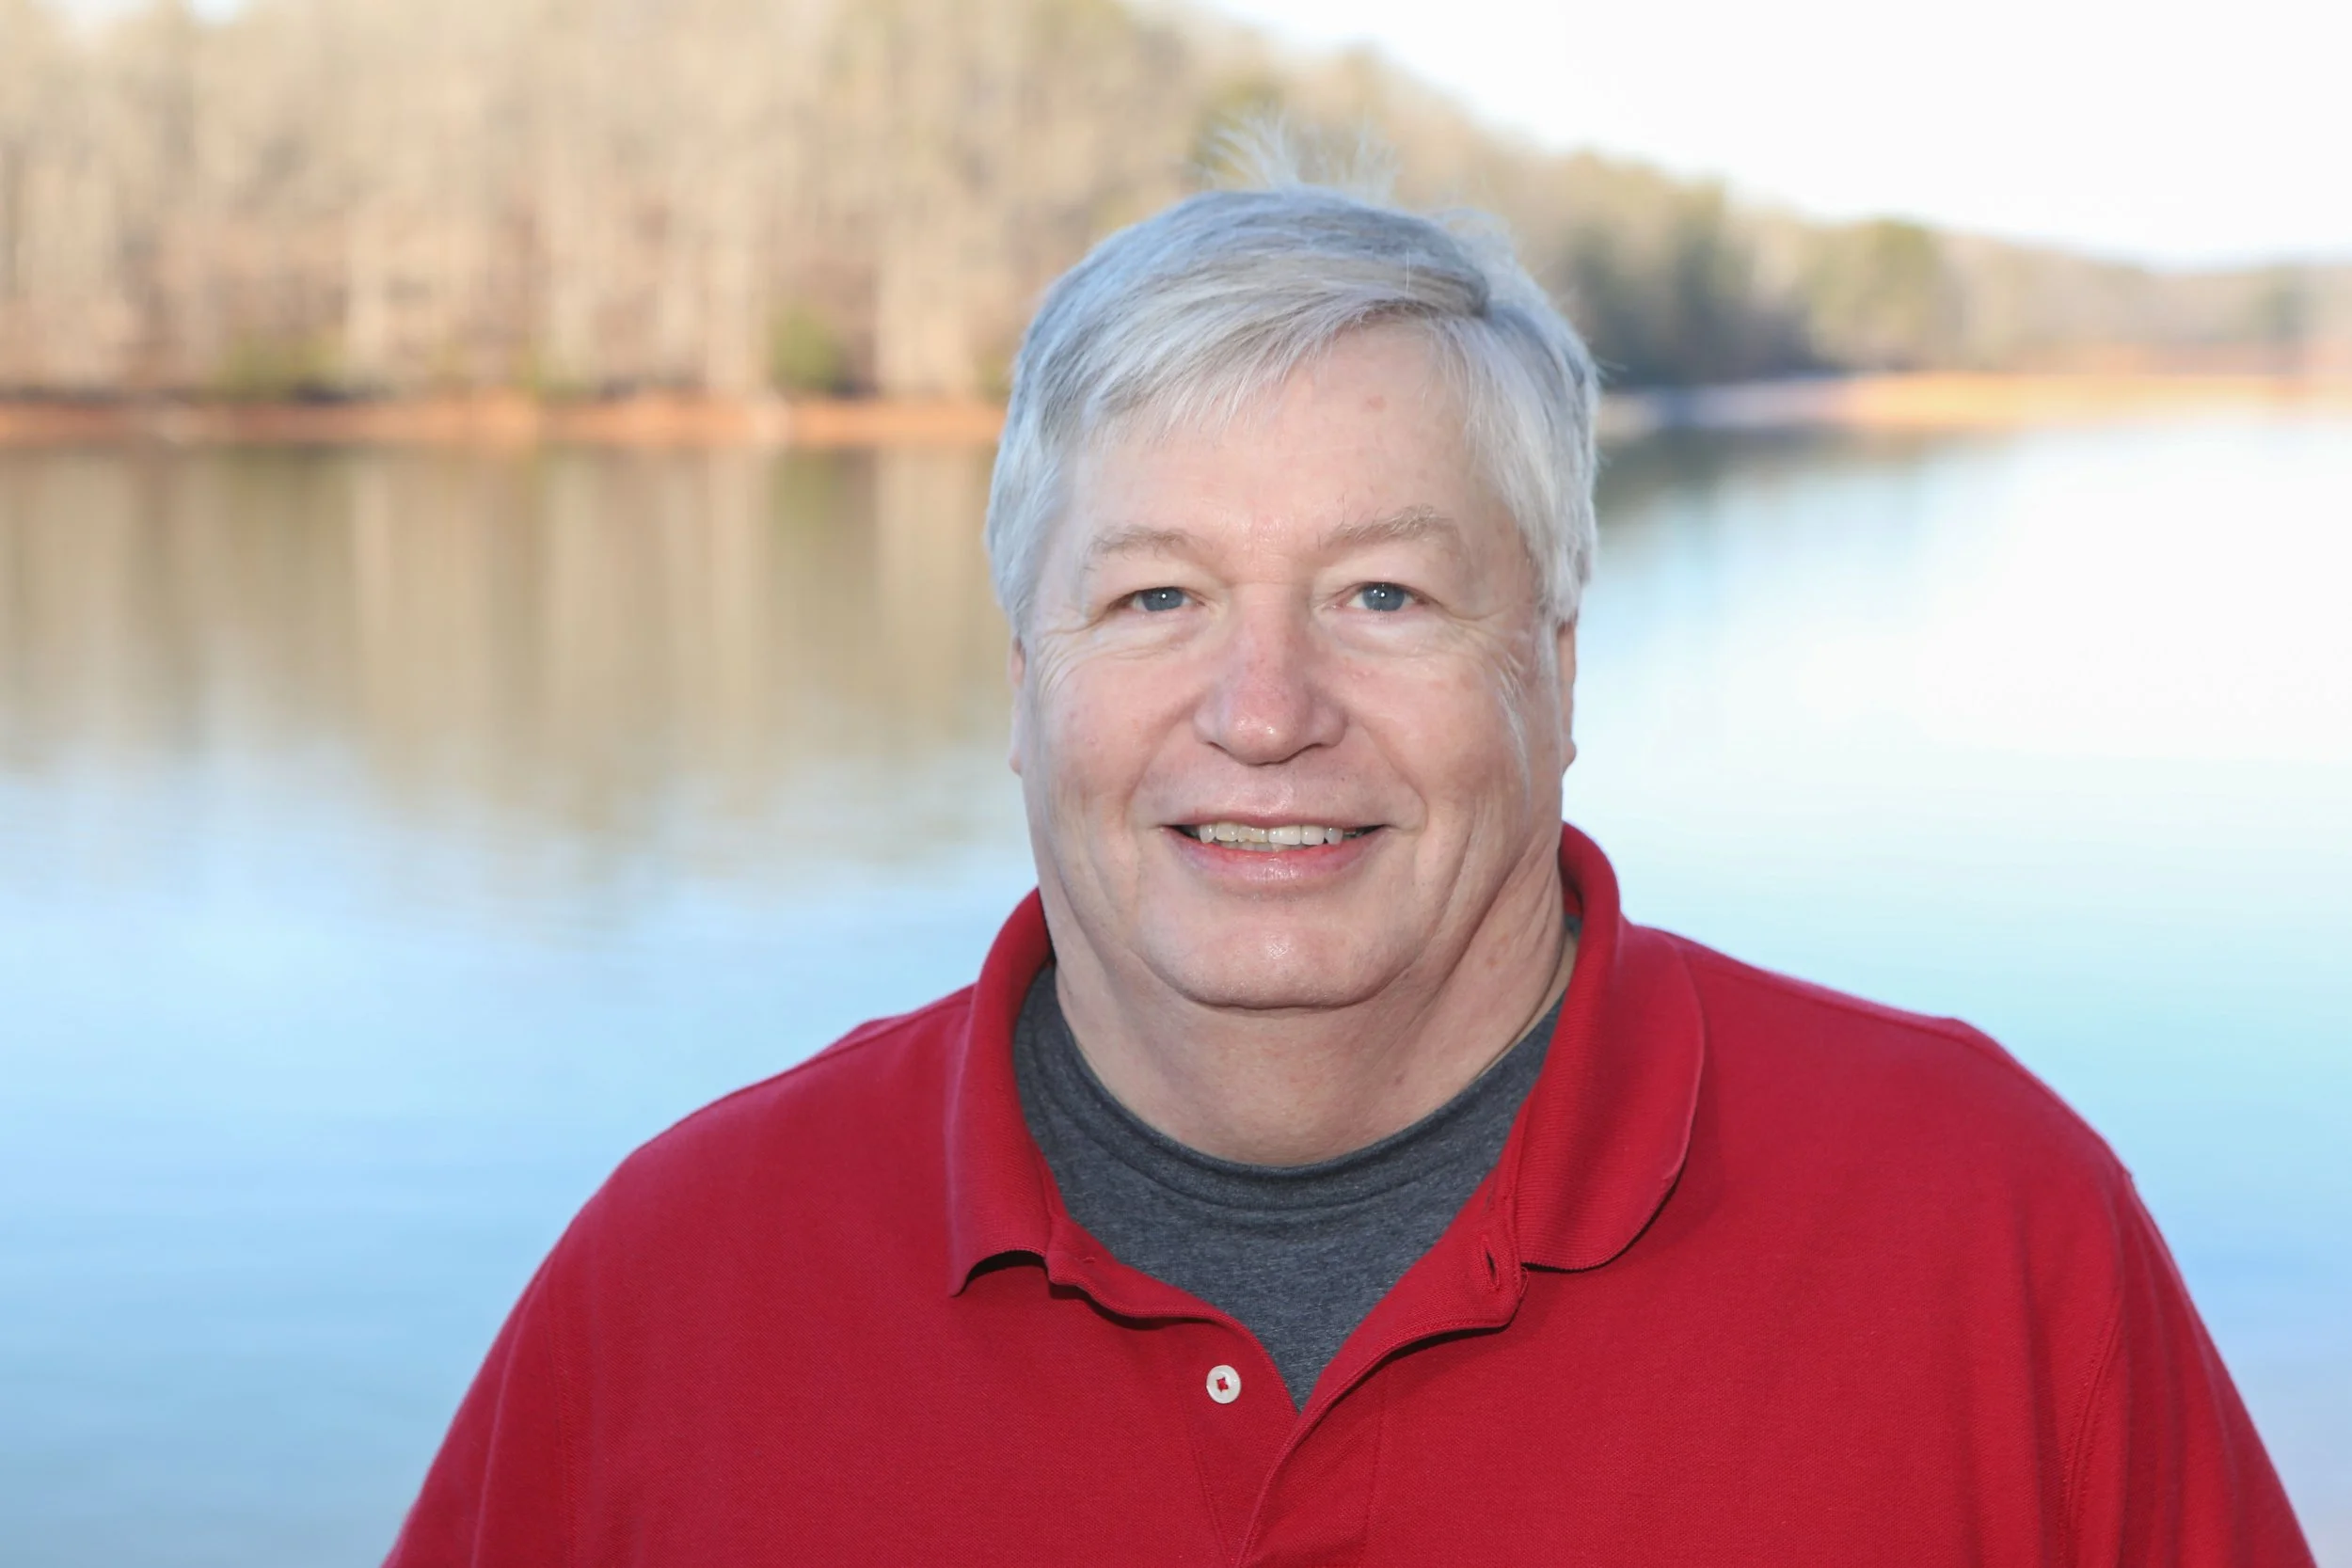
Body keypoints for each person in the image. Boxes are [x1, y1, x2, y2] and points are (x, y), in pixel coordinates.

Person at [386, 173, 2313, 1565]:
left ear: (1551, 671)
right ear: (1022, 687)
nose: (1263, 706)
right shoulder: (683, 1277)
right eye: (1154, 595)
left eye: (1380, 591)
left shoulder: (1977, 1221)